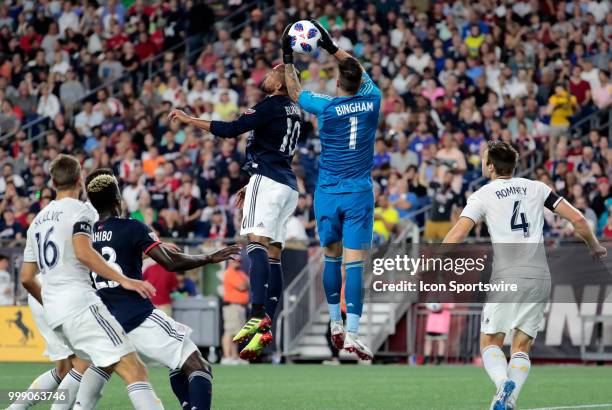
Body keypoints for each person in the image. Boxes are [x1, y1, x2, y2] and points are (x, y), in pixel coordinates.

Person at [443, 141, 607, 410]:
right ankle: (508, 401)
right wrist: (594, 245)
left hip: (507, 275)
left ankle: (501, 383)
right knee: (522, 346)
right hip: (539, 275)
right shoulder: (537, 188)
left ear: (492, 166)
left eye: (485, 160)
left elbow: (459, 232)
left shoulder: (482, 195)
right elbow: (577, 219)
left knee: (490, 341)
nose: (483, 163)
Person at [168, 63, 301, 360]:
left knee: (254, 242)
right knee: (274, 252)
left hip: (267, 181)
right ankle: (267, 324)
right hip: (287, 185)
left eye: (272, 73)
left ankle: (256, 314)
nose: (265, 76)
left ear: (280, 84)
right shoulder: (294, 110)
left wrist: (189, 119)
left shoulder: (271, 105)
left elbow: (230, 130)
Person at [85, 168, 240, 410]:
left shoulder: (86, 235)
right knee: (199, 367)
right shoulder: (133, 227)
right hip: (138, 316)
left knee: (170, 366)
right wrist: (210, 257)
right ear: (119, 200)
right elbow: (171, 262)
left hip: (107, 322)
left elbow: (111, 263)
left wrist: (145, 250)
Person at [18, 154, 163, 410]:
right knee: (134, 370)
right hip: (79, 303)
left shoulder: (37, 222)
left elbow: (27, 279)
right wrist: (124, 280)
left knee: (86, 365)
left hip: (54, 311)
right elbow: (84, 252)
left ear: (52, 182)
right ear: (80, 179)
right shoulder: (82, 210)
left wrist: (52, 302)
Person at [282, 20, 382, 360]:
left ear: (338, 83)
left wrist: (287, 54)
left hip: (327, 192)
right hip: (358, 194)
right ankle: (352, 332)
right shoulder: (373, 101)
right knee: (355, 266)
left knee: (331, 258)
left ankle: (335, 324)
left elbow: (294, 92)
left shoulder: (325, 105)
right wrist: (329, 45)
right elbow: (358, 70)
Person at [221, 258, 249, 365]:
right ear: (230, 261)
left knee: (236, 333)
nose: (238, 262)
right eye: (235, 261)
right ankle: (226, 357)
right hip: (232, 305)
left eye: (239, 261)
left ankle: (234, 357)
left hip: (240, 306)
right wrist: (245, 283)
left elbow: (248, 283)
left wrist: (245, 283)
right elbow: (242, 286)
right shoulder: (229, 272)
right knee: (229, 331)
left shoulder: (240, 273)